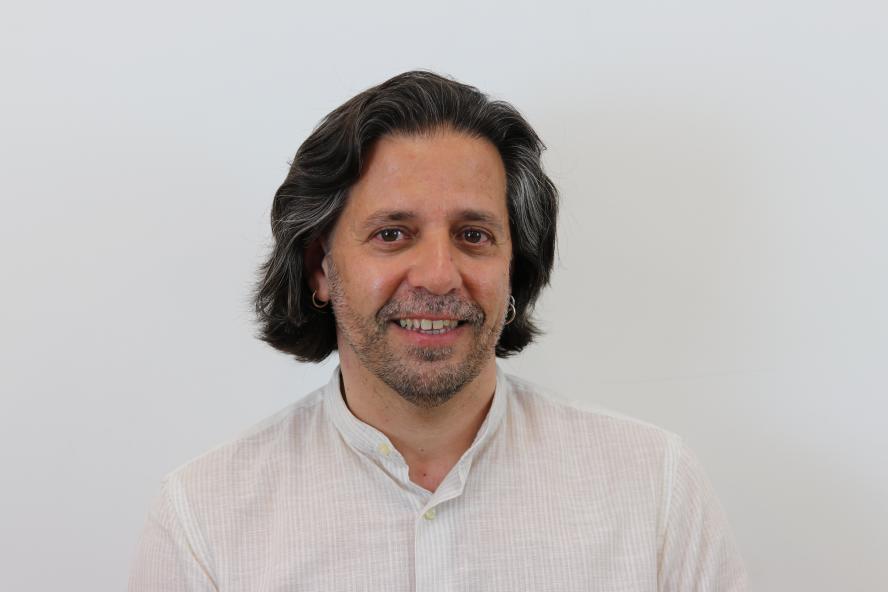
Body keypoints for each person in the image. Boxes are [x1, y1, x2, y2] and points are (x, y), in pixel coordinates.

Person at [129, 71, 748, 591]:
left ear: (515, 266)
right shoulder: (203, 519)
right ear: (321, 266)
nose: (438, 274)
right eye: (391, 233)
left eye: (473, 235)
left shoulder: (655, 492)